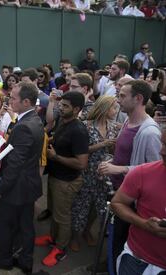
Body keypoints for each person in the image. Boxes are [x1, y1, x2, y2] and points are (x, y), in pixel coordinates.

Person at [98, 80, 162, 269]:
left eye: (123, 96)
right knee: (116, 235)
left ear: (139, 98)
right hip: (120, 190)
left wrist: (121, 169)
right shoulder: (127, 120)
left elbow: (154, 169)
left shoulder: (150, 133)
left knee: (121, 237)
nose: (118, 100)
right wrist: (112, 162)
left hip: (132, 201)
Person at [0, 83, 44, 274]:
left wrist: (0, 188)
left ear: (26, 102)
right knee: (26, 225)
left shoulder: (24, 126)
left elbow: (15, 164)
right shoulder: (34, 119)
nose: (9, 101)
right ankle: (26, 261)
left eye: (13, 99)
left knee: (3, 225)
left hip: (16, 187)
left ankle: (4, 260)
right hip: (28, 184)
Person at [36, 91, 89, 267]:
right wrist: (46, 140)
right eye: (61, 103)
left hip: (66, 182)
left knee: (62, 217)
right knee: (54, 211)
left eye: (65, 106)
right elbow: (57, 139)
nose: (60, 107)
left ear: (76, 109)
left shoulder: (79, 130)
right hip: (55, 176)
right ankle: (53, 237)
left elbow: (82, 163)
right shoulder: (62, 121)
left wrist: (55, 157)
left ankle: (60, 249)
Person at [111, 127, 166, 274]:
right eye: (163, 144)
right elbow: (117, 204)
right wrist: (144, 224)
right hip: (137, 261)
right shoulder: (143, 173)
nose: (162, 151)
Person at [70, 96, 119, 252]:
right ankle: (75, 236)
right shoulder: (86, 126)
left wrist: (112, 148)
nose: (116, 111)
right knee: (80, 206)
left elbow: (110, 151)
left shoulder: (112, 127)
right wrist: (102, 144)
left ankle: (86, 231)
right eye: (113, 108)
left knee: (96, 207)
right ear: (104, 109)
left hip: (103, 175)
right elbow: (81, 150)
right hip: (87, 172)